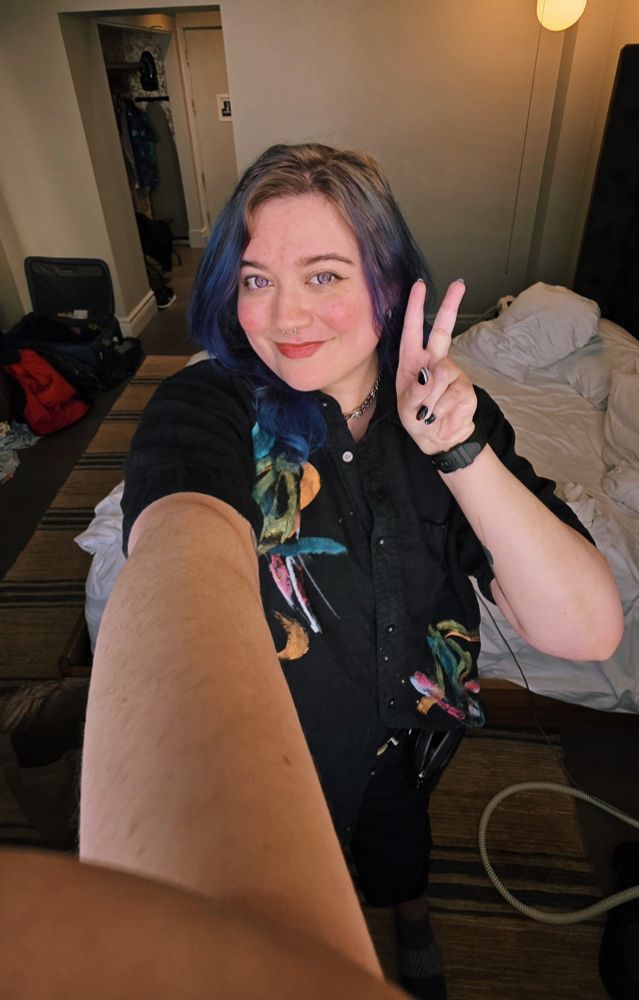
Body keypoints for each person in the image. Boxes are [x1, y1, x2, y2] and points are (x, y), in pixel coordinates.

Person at [79, 143, 624, 999]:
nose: (283, 316)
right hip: (275, 769)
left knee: (400, 849)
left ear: (388, 283)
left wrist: (457, 448)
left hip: (408, 739)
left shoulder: (457, 416)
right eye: (255, 279)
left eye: (324, 276)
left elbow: (584, 630)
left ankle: (412, 921)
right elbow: (178, 548)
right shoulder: (206, 405)